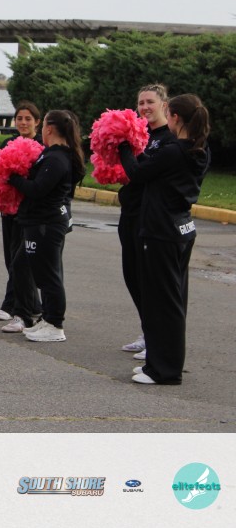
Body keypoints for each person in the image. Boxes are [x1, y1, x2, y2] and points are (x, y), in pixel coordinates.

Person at [119, 94, 210, 385]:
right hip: (180, 229)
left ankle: (165, 370)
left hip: (161, 231)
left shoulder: (174, 151)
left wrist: (123, 147)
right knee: (171, 300)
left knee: (162, 303)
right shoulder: (197, 149)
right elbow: (152, 169)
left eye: (168, 113)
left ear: (175, 118)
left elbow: (137, 173)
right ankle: (157, 363)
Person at [5, 110, 85, 341]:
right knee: (23, 266)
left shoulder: (57, 158)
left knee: (49, 275)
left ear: (48, 128)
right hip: (37, 222)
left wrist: (13, 178)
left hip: (47, 224)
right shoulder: (50, 154)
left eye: (42, 127)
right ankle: (44, 317)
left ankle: (55, 324)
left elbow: (38, 189)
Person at [117, 84, 172, 356]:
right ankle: (147, 330)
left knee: (149, 279)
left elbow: (141, 172)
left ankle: (157, 338)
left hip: (149, 216)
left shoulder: (169, 138)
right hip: (129, 213)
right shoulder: (139, 134)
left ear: (164, 104)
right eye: (140, 103)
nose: (145, 107)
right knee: (132, 276)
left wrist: (125, 151)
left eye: (150, 102)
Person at [0, 101, 44, 327]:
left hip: (29, 211)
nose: (23, 123)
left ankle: (13, 306)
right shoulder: (7, 143)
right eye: (19, 119)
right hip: (9, 209)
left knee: (20, 261)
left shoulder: (41, 145)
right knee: (10, 258)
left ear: (37, 122)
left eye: (28, 119)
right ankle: (31, 306)